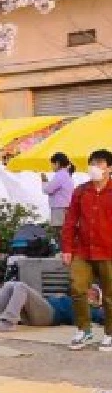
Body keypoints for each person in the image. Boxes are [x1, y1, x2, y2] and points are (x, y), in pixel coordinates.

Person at [61, 147, 112, 351]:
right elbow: (70, 221)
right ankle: (84, 329)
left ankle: (110, 333)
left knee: (110, 294)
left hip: (108, 250)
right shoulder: (80, 191)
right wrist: (67, 248)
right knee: (77, 287)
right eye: (92, 163)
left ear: (109, 168)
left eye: (100, 164)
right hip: (82, 250)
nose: (95, 168)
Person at [0, 280, 106, 332]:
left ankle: (8, 322)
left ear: (96, 297)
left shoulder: (91, 309)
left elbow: (103, 317)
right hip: (39, 311)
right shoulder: (70, 297)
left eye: (94, 290)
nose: (89, 289)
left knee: (21, 286)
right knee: (10, 284)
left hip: (49, 315)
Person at [43, 152, 76, 229]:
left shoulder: (60, 175)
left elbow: (48, 190)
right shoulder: (65, 174)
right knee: (62, 231)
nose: (52, 166)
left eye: (52, 164)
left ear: (57, 163)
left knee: (60, 232)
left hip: (60, 208)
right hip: (64, 207)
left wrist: (44, 181)